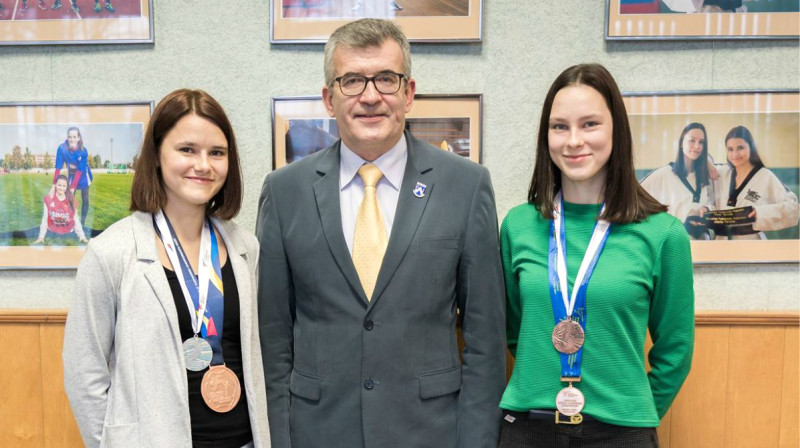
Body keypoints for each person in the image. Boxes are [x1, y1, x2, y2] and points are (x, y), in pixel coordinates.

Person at [256, 18, 506, 448]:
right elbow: (274, 341)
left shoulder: (465, 186)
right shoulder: (284, 192)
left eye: (386, 80)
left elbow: (485, 341)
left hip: (431, 433)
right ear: (328, 99)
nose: (370, 96)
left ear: (408, 93)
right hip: (318, 433)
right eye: (352, 80)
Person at [498, 64, 694, 447]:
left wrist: (632, 414)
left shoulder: (662, 234)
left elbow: (676, 350)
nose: (574, 141)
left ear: (616, 130)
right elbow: (513, 329)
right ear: (546, 135)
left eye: (590, 124)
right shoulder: (518, 226)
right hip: (527, 428)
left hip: (619, 432)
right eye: (560, 127)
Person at [63, 89, 270, 448]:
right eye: (187, 149)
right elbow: (85, 374)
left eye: (216, 153)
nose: (203, 165)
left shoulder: (245, 248)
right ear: (157, 154)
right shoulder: (110, 253)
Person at [709, 125, 799, 239]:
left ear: (751, 147)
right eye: (730, 149)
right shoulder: (721, 173)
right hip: (720, 244)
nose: (735, 154)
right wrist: (708, 161)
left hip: (751, 243)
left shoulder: (765, 176)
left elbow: (793, 208)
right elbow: (700, 161)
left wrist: (760, 213)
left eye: (740, 148)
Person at [641, 122, 716, 239]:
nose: (697, 146)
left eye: (701, 142)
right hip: (674, 241)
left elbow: (713, 202)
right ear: (681, 143)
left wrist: (707, 209)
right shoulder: (664, 174)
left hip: (702, 242)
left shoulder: (705, 176)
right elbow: (636, 196)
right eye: (692, 140)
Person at [52, 126, 93, 226]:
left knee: (85, 199)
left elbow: (79, 171)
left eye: (74, 137)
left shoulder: (83, 151)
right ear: (67, 137)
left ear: (79, 138)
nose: (72, 139)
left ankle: (82, 224)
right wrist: (54, 185)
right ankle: (70, 221)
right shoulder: (62, 148)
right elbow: (58, 167)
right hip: (71, 174)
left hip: (83, 175)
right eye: (70, 137)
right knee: (70, 199)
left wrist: (73, 187)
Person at [34, 174, 88, 244]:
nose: (61, 188)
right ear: (55, 185)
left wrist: (82, 237)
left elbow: (76, 220)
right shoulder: (48, 199)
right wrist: (41, 237)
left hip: (69, 231)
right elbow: (45, 219)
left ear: (67, 187)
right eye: (59, 185)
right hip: (52, 231)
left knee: (90, 231)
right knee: (31, 231)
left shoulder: (72, 200)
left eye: (64, 186)